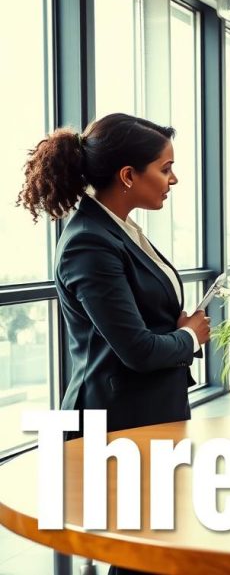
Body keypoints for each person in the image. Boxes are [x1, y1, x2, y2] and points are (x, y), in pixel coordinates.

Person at [17, 113, 210, 434]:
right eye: (165, 169)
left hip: (147, 414)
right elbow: (138, 350)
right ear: (128, 176)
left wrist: (179, 333)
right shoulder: (88, 243)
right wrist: (190, 337)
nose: (173, 179)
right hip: (111, 423)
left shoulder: (118, 230)